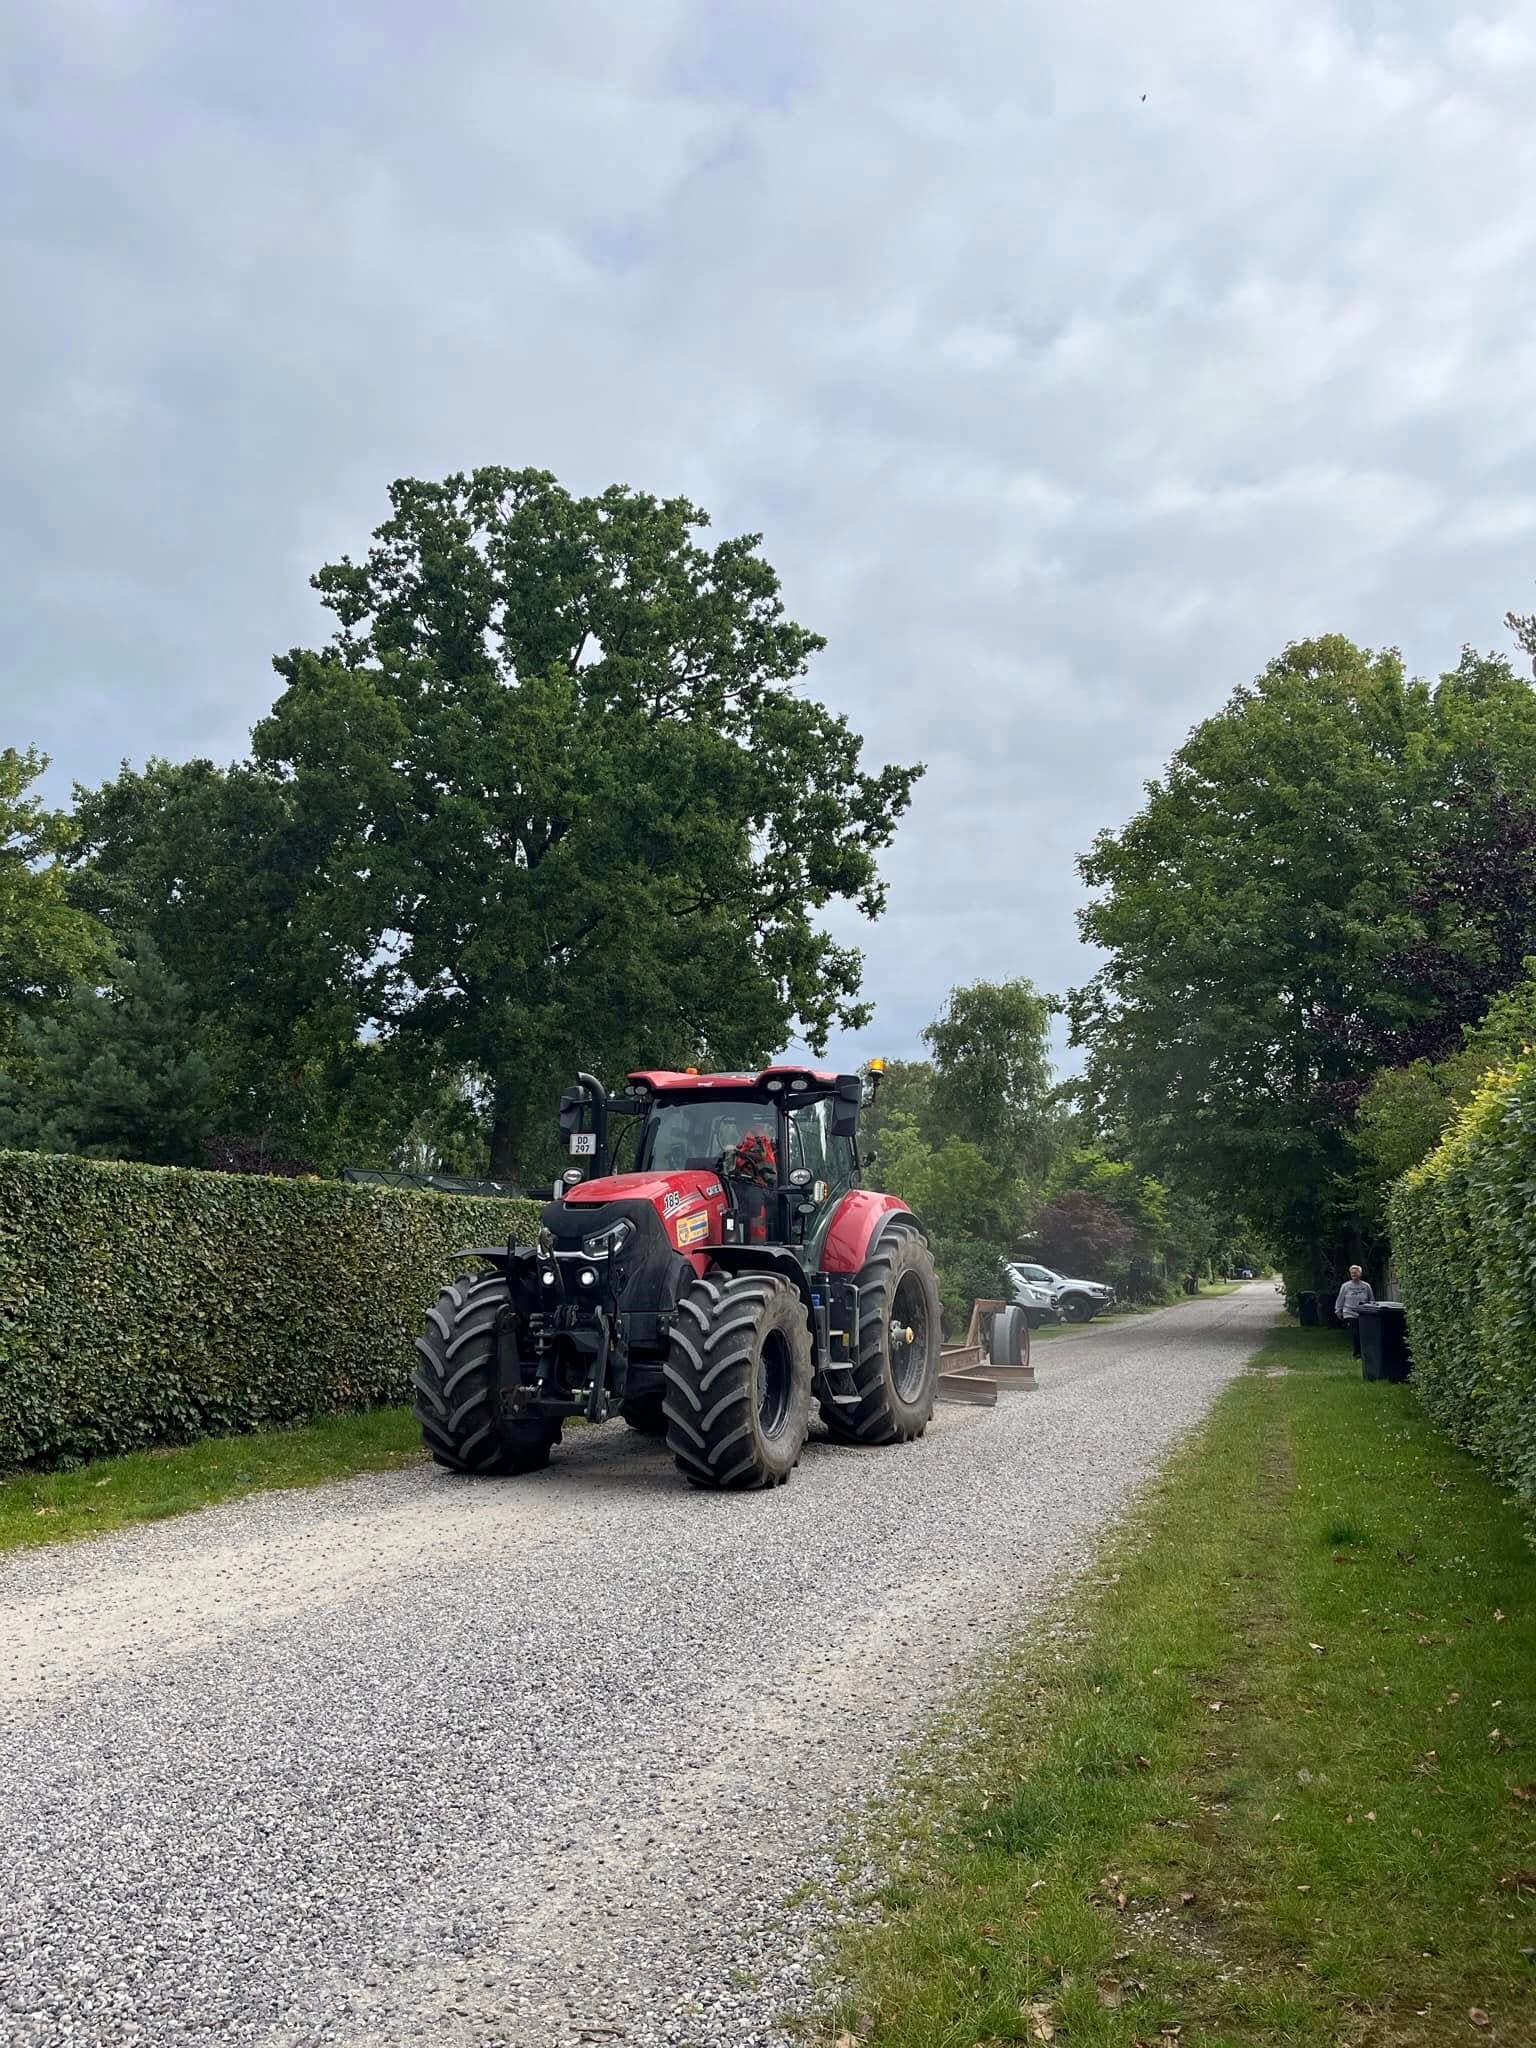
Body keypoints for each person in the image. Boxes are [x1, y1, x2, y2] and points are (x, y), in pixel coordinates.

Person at [1335, 1265, 1375, 1355]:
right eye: (1352, 1272)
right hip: (1349, 1312)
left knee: (1363, 1333)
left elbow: (1371, 1299)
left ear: (1360, 1273)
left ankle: (1365, 1351)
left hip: (1363, 1312)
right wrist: (1338, 1310)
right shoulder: (1345, 1286)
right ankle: (1357, 1353)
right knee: (1355, 1332)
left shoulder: (1366, 1286)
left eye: (1355, 1272)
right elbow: (1340, 1298)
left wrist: (1372, 1310)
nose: (1353, 1274)